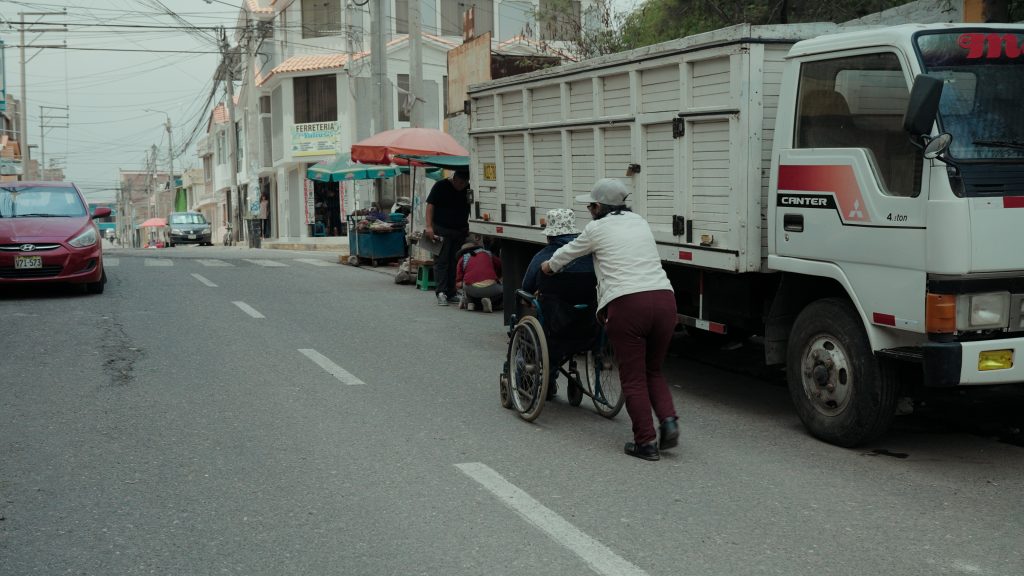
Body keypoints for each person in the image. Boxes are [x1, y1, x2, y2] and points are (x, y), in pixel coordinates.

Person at [541, 178, 679, 462]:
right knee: (653, 370)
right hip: (665, 300)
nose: (589, 210)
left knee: (633, 377)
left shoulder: (596, 228)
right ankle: (669, 422)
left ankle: (646, 442)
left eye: (590, 205)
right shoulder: (640, 222)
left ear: (599, 207)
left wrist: (549, 266)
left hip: (628, 304)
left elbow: (567, 253)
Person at [523, 208, 597, 399]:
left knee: (530, 320)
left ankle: (530, 379)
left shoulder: (543, 257)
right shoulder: (590, 256)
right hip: (587, 323)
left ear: (550, 235)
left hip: (555, 323)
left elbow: (527, 287)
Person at [425, 168, 471, 306]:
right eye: (460, 183)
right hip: (441, 229)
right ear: (454, 178)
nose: (462, 186)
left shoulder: (467, 189)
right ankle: (441, 292)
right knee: (441, 262)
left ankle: (451, 292)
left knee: (455, 262)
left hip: (459, 231)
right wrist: (429, 226)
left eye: (465, 183)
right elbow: (430, 206)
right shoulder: (440, 186)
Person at [455, 238, 502, 313]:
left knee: (466, 283)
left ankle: (471, 303)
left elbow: (458, 284)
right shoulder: (488, 253)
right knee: (503, 291)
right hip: (491, 288)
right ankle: (491, 302)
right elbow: (501, 266)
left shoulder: (462, 258)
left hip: (471, 289)